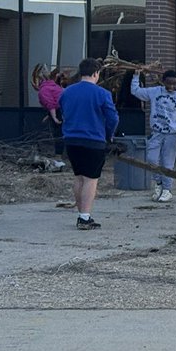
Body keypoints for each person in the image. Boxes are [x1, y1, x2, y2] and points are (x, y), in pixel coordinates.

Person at [60, 58, 119, 230]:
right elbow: (113, 118)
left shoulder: (66, 92)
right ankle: (84, 217)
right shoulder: (102, 94)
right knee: (91, 179)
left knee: (78, 177)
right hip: (93, 140)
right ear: (96, 73)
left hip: (71, 140)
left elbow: (63, 111)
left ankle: (82, 213)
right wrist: (109, 135)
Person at [131, 68, 176, 202]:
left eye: (174, 84)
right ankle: (158, 183)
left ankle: (167, 189)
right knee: (151, 159)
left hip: (172, 134)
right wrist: (136, 76)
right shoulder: (155, 92)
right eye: (168, 83)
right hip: (157, 132)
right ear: (163, 81)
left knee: (168, 163)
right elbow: (136, 91)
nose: (171, 87)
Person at [37, 70, 66, 156]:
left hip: (59, 111)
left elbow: (51, 104)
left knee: (58, 133)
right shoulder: (55, 86)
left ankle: (58, 155)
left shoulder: (44, 89)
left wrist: (54, 117)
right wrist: (49, 115)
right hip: (66, 109)